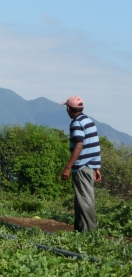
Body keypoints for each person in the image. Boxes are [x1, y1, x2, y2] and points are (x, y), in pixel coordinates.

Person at [61, 96, 101, 232]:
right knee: (82, 199)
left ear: (68, 108)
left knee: (84, 200)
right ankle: (79, 230)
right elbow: (94, 145)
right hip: (89, 165)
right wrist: (96, 167)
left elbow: (79, 145)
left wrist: (67, 167)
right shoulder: (89, 121)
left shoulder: (77, 123)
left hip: (82, 166)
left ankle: (90, 232)